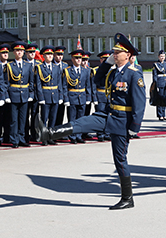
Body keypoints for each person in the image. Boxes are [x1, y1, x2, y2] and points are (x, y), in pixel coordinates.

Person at [37, 33, 145, 210]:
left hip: (122, 122)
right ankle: (49, 132)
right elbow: (97, 80)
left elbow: (140, 103)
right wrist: (107, 63)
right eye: (114, 52)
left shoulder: (134, 74)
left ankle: (127, 198)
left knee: (120, 160)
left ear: (128, 55)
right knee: (82, 122)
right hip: (107, 114)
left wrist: (134, 128)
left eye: (118, 52)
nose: (115, 54)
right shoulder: (113, 72)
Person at [5, 41, 34, 148]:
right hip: (13, 94)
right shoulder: (9, 65)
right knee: (13, 119)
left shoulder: (28, 65)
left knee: (23, 119)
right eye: (17, 51)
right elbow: (6, 82)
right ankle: (14, 139)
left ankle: (22, 138)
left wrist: (31, 94)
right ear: (14, 52)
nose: (19, 53)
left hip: (25, 94)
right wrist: (7, 96)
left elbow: (31, 82)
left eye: (21, 51)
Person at [35, 46, 64, 145]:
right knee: (44, 118)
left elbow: (59, 83)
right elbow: (38, 84)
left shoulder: (56, 68)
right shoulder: (39, 67)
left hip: (55, 95)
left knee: (53, 118)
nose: (50, 56)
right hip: (45, 95)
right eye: (48, 54)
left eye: (51, 54)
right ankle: (44, 137)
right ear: (43, 56)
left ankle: (51, 137)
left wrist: (60, 96)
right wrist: (41, 97)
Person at [63, 49, 92, 143]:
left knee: (81, 118)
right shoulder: (67, 71)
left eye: (80, 58)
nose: (79, 60)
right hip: (72, 97)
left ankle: (79, 136)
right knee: (72, 118)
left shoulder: (85, 71)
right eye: (76, 58)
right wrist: (66, 99)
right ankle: (72, 136)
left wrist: (88, 97)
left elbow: (88, 85)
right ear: (72, 59)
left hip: (82, 97)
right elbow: (64, 86)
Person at [25, 43, 42, 143]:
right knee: (26, 115)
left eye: (33, 52)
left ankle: (35, 134)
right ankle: (26, 135)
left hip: (36, 93)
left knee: (35, 115)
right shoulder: (24, 64)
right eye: (30, 52)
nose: (32, 54)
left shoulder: (39, 64)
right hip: (26, 93)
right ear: (26, 53)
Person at [92, 51, 112, 141]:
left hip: (109, 95)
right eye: (103, 59)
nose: (105, 61)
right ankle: (100, 134)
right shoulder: (96, 70)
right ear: (100, 60)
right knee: (100, 115)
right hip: (100, 94)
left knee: (109, 115)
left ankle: (107, 133)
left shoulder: (112, 70)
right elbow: (93, 85)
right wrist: (94, 98)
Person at [0, 44, 12, 146]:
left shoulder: (11, 65)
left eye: (6, 53)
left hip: (10, 96)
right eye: (3, 53)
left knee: (8, 118)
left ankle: (7, 137)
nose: (5, 54)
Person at [152, 50, 166, 121]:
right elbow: (154, 76)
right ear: (158, 56)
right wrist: (155, 85)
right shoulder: (156, 65)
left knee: (165, 99)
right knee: (160, 99)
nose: (162, 58)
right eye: (161, 56)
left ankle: (164, 114)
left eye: (163, 56)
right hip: (160, 83)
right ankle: (160, 115)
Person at [53, 46, 69, 126]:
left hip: (62, 92)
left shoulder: (65, 66)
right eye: (58, 54)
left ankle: (58, 132)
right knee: (52, 115)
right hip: (53, 92)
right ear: (54, 55)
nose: (60, 57)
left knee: (61, 113)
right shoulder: (51, 64)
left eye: (61, 55)